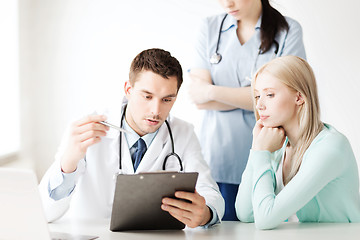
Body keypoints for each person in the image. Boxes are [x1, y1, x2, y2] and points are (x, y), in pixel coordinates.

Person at [39, 48, 225, 228]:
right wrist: (68, 162)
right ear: (128, 89)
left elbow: (209, 192)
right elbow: (45, 211)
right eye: (147, 96)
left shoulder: (182, 132)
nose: (156, 111)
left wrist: (206, 214)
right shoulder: (86, 129)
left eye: (167, 99)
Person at [188, 0, 306, 220]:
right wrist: (263, 94)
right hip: (218, 157)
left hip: (271, 155)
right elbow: (198, 98)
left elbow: (290, 95)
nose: (227, 3)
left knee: (265, 227)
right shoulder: (209, 27)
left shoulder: (287, 30)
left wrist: (211, 91)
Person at [235, 55, 360, 229]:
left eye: (270, 94)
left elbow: (265, 219)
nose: (259, 105)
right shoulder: (277, 143)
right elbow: (245, 213)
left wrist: (262, 153)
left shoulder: (330, 147)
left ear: (299, 97)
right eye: (257, 96)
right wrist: (257, 148)